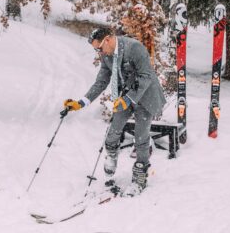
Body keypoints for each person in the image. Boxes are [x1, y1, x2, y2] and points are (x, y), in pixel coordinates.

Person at [64, 27, 166, 196]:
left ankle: (140, 176)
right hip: (124, 96)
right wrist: (81, 102)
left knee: (141, 136)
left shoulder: (135, 48)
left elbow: (146, 76)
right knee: (113, 131)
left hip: (146, 96)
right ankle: (111, 155)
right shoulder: (107, 55)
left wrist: (128, 99)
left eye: (99, 48)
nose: (99, 52)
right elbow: (101, 81)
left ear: (109, 40)